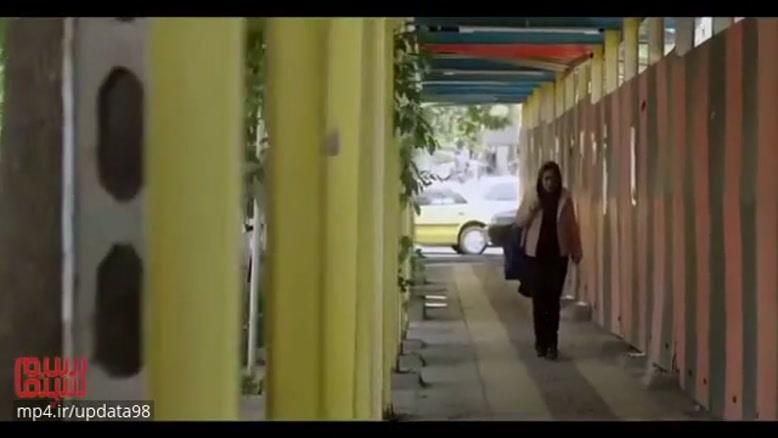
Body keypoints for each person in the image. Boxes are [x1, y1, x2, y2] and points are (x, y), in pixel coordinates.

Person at [515, 161, 582, 360]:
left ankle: (552, 343)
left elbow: (572, 226)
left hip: (557, 257)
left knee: (553, 302)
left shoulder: (565, 198)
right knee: (539, 301)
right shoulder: (533, 196)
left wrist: (576, 251)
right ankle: (540, 342)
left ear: (559, 180)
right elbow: (519, 221)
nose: (550, 183)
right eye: (546, 179)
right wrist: (532, 208)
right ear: (540, 180)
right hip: (535, 256)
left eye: (553, 179)